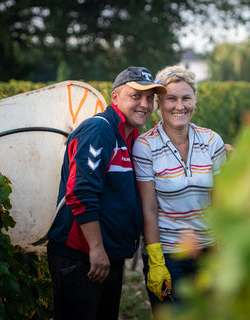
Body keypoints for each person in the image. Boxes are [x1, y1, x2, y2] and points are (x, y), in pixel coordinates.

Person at [46, 66, 166, 320]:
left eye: (149, 98)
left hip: (108, 257)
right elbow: (81, 192)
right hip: (82, 257)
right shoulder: (99, 131)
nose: (144, 104)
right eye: (136, 96)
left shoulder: (132, 137)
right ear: (115, 98)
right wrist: (97, 248)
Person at [132, 65, 227, 314]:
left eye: (186, 98)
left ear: (195, 100)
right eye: (171, 99)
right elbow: (149, 208)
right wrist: (155, 260)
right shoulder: (145, 146)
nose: (179, 106)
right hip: (168, 254)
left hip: (207, 252)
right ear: (159, 104)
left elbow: (219, 200)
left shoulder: (212, 141)